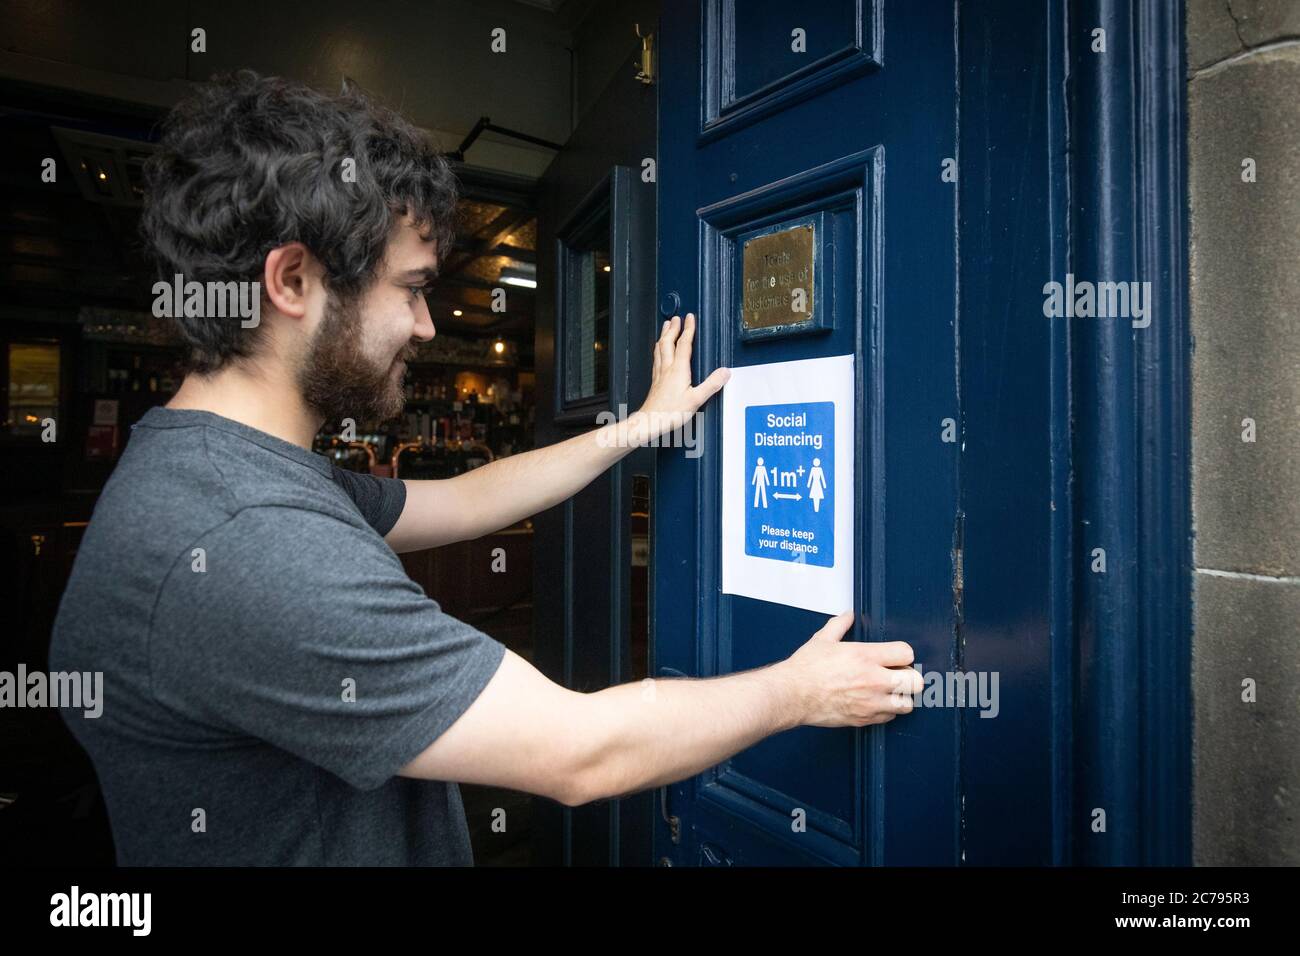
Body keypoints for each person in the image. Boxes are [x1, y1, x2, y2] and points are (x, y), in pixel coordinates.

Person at [49, 69, 921, 866]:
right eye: (412, 287)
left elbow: (464, 500)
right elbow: (579, 751)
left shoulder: (219, 469)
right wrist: (799, 691)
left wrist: (637, 429)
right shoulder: (248, 541)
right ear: (292, 281)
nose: (428, 327)